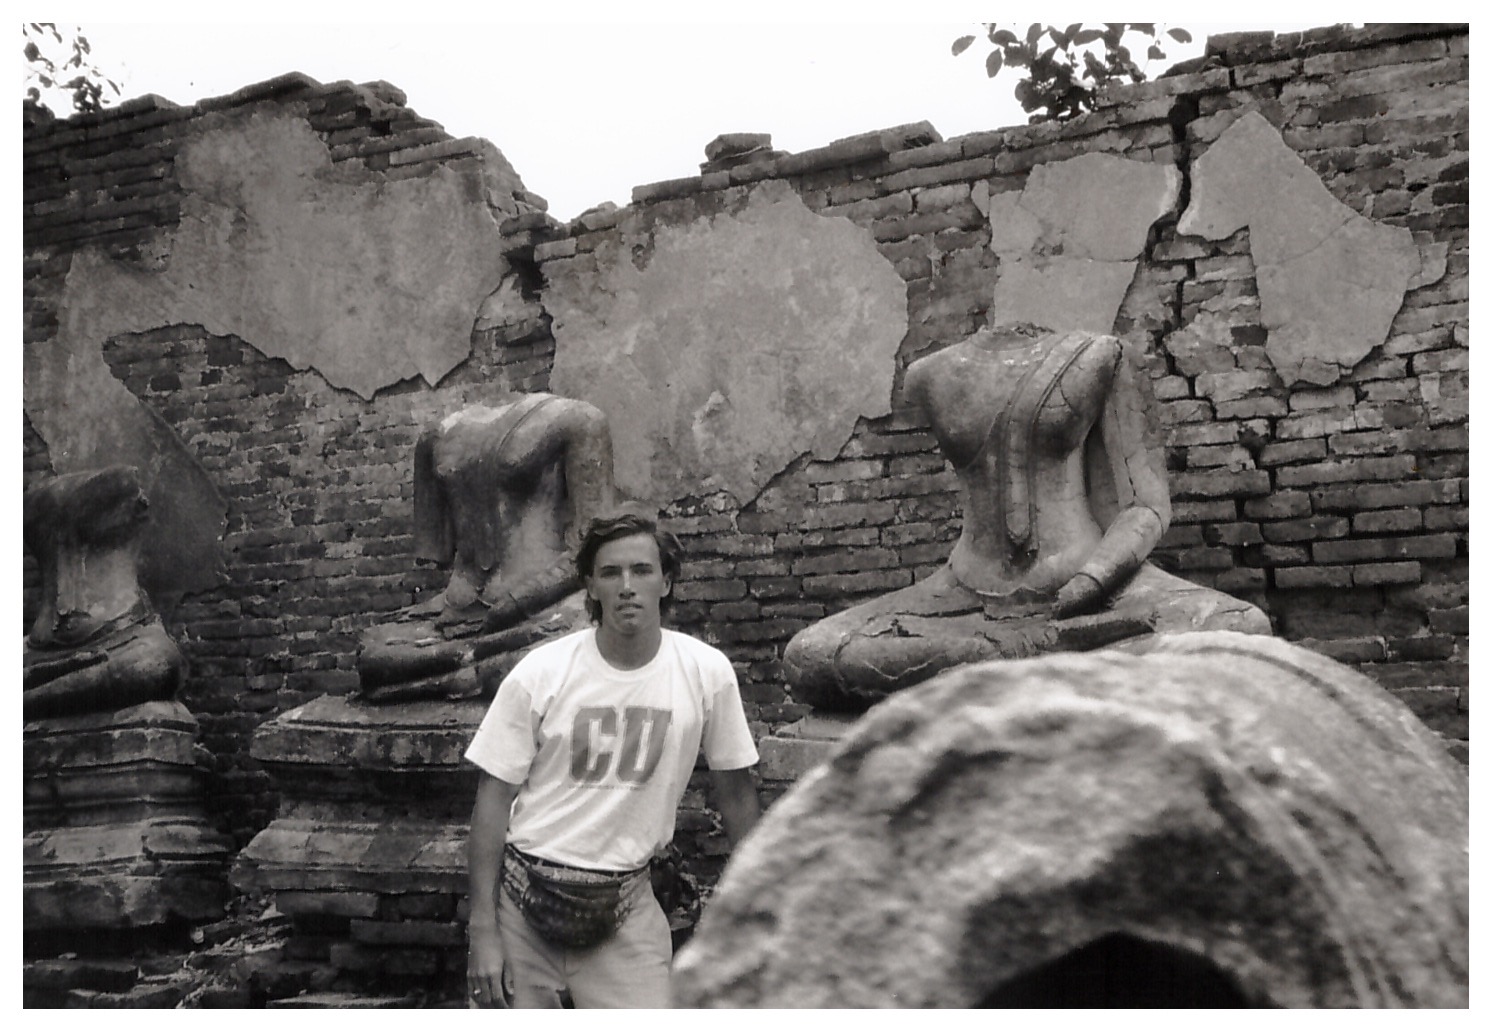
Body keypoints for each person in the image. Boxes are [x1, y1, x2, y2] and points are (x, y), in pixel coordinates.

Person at [784, 323, 1270, 711]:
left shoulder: (1101, 356)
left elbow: (1146, 506)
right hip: (963, 595)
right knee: (811, 656)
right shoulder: (931, 373)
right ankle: (1031, 651)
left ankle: (996, 660)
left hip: (1087, 592)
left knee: (1238, 626)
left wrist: (1092, 582)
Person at [464, 507, 761, 1008]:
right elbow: (492, 802)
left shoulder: (706, 674)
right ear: (591, 586)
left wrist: (756, 907)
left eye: (642, 571)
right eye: (611, 573)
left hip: (626, 909)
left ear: (666, 583)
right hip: (523, 903)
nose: (627, 586)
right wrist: (483, 930)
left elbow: (736, 796)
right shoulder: (542, 672)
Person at [357, 392, 617, 702]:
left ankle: (462, 668)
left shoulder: (580, 420)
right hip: (460, 610)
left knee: (562, 651)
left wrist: (516, 603)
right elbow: (439, 555)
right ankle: (477, 664)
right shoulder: (435, 435)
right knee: (373, 651)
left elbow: (597, 550)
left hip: (544, 607)